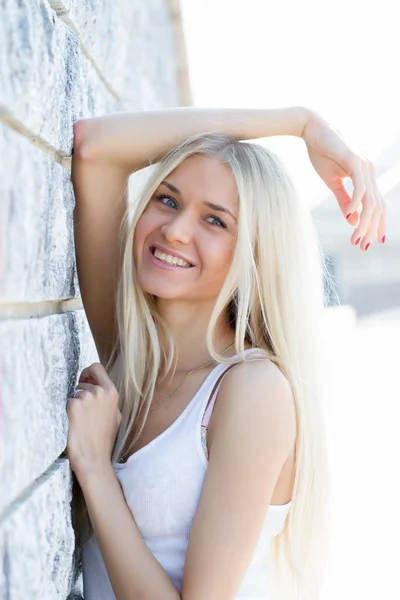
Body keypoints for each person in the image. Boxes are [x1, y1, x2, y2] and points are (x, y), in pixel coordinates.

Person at [66, 107, 386, 600]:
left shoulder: (252, 392)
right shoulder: (134, 360)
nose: (175, 230)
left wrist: (95, 469)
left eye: (214, 221)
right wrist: (296, 123)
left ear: (255, 255)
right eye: (167, 199)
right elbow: (94, 146)